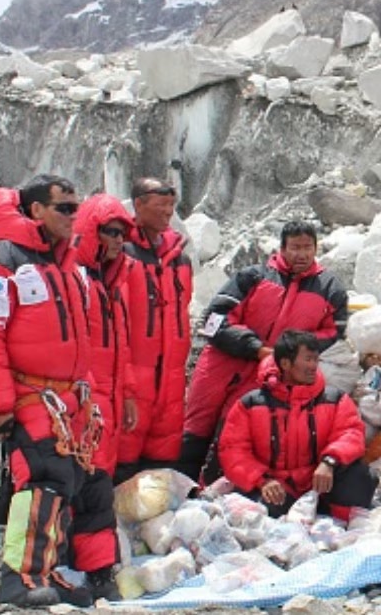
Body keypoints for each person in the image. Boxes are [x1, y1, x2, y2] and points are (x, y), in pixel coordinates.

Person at [0, 176, 103, 607]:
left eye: (77, 207)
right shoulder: (2, 261)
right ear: (36, 211)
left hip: (65, 400)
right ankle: (20, 580)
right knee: (39, 483)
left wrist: (86, 393)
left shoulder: (65, 265)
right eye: (65, 208)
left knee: (63, 483)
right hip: (30, 396)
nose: (74, 217)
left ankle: (46, 571)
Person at [181, 220, 348, 483]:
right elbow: (214, 318)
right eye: (294, 247)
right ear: (281, 248)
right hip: (221, 364)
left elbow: (333, 331)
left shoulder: (330, 289)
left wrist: (290, 352)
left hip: (270, 373)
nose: (301, 254)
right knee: (194, 429)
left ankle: (213, 494)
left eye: (307, 247)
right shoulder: (253, 276)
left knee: (234, 434)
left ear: (316, 249)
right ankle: (181, 487)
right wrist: (254, 347)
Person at [219, 330, 376, 519]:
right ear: (285, 363)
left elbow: (351, 433)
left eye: (316, 360)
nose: (314, 366)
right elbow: (233, 450)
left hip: (320, 485)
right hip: (276, 488)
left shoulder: (335, 399)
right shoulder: (250, 404)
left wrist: (329, 462)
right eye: (308, 359)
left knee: (360, 476)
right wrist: (262, 481)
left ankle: (342, 526)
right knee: (259, 515)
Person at [69, 193, 141, 601]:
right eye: (110, 232)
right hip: (85, 400)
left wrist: (127, 394)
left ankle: (93, 571)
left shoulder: (107, 282)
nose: (118, 241)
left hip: (105, 400)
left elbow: (121, 348)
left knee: (97, 484)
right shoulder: (78, 278)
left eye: (122, 234)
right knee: (86, 485)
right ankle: (88, 572)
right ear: (90, 232)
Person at [117, 177, 193, 483]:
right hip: (135, 379)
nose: (167, 212)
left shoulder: (180, 260)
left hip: (171, 380)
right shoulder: (121, 253)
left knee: (160, 470)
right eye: (160, 205)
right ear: (138, 205)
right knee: (121, 465)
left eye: (171, 206)